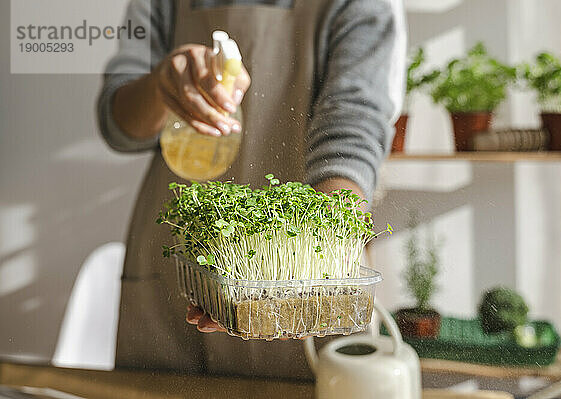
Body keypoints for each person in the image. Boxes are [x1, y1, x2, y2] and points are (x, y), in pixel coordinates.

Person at [96, 0, 406, 379]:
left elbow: (352, 127)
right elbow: (118, 125)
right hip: (177, 267)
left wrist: (314, 268)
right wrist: (162, 85)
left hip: (302, 276)